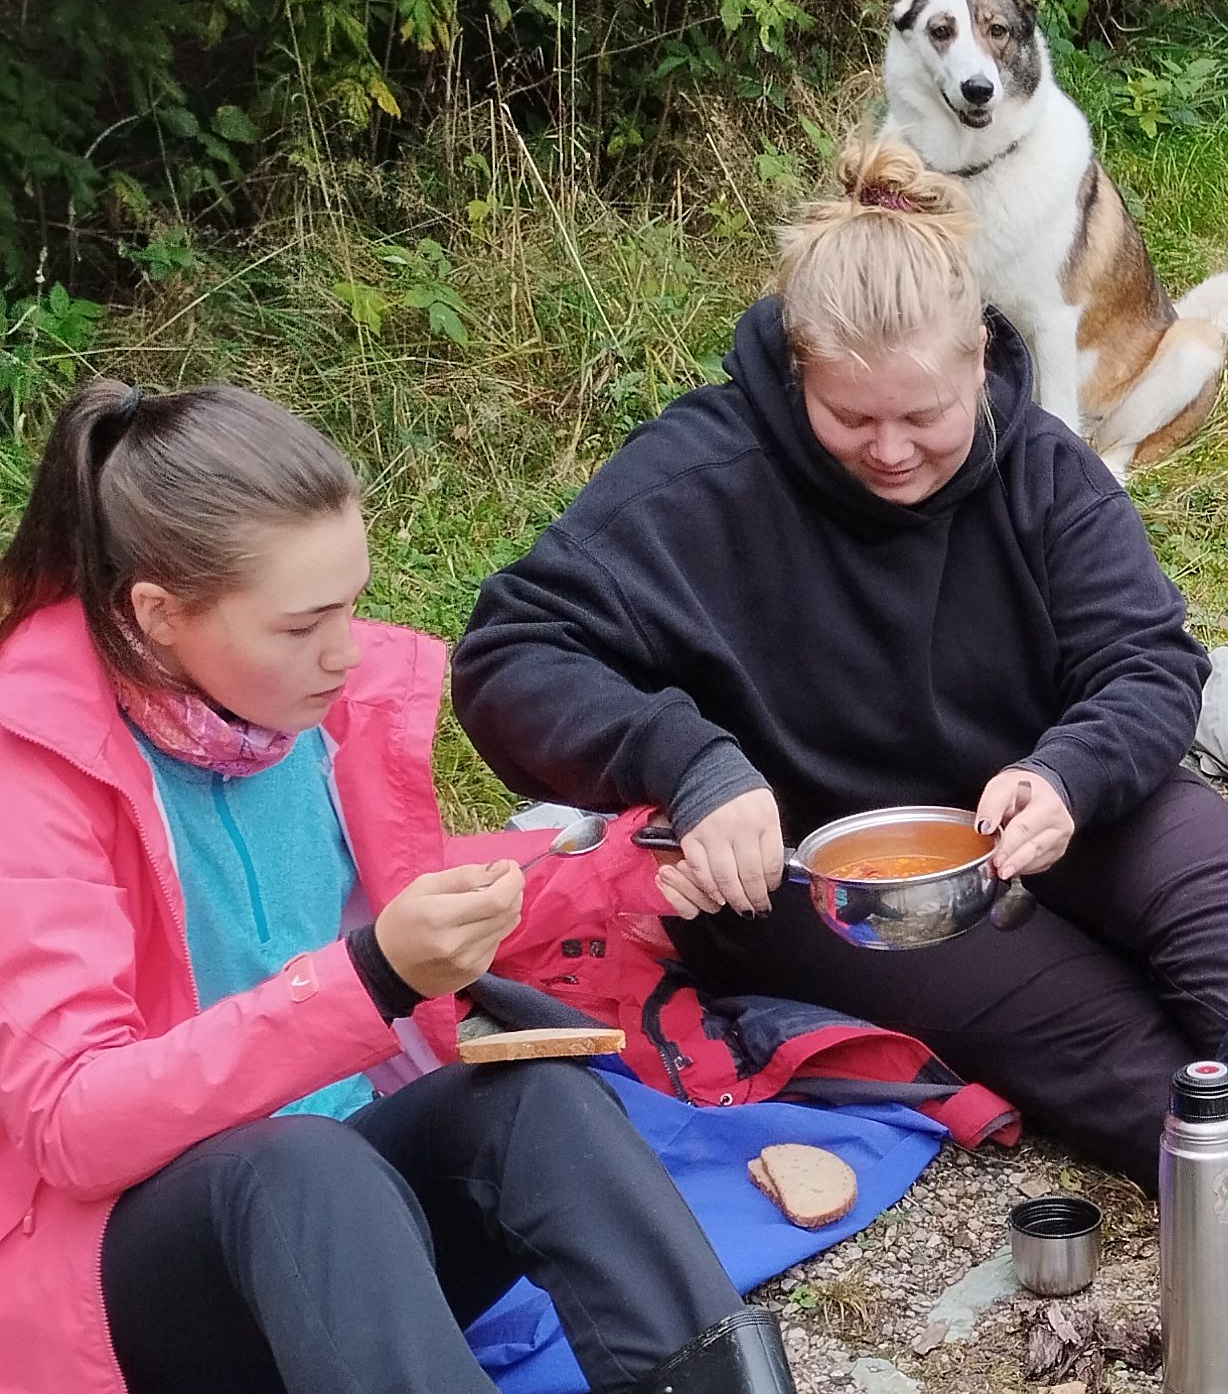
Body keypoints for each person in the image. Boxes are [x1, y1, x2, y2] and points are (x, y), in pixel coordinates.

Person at [452, 137, 1228, 1304]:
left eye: (924, 414)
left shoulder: (1042, 468)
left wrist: (1071, 773)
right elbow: (507, 656)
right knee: (1093, 1033)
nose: (890, 451)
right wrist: (688, 762)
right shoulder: (698, 479)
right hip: (848, 891)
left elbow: (1146, 663)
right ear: (794, 369)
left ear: (981, 353)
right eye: (848, 416)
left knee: (1216, 901)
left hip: (1056, 806)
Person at [0, 380, 793, 1394]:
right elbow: (72, 1123)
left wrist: (627, 866)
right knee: (295, 1166)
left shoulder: (298, 709)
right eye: (301, 625)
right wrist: (371, 977)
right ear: (156, 617)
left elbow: (411, 893)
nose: (346, 649)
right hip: (140, 1284)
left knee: (536, 1104)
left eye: (351, 603)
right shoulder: (36, 762)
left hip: (352, 1247)